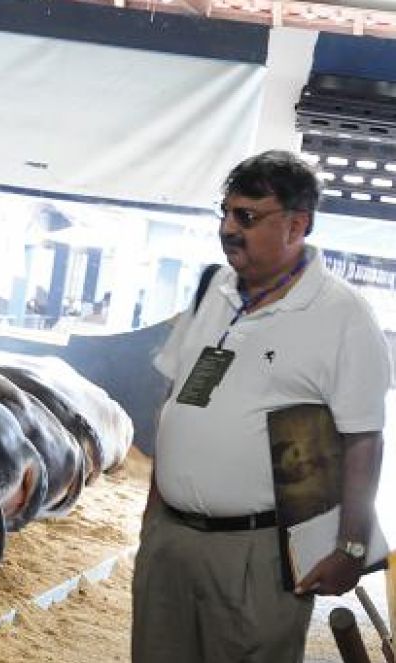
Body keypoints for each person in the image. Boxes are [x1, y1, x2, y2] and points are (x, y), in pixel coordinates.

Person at [132, 150, 390, 663]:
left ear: (297, 225)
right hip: (172, 542)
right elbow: (173, 401)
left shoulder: (344, 316)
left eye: (246, 216)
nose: (228, 228)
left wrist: (352, 547)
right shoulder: (213, 289)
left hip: (260, 553)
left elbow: (364, 438)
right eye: (225, 212)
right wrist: (153, 518)